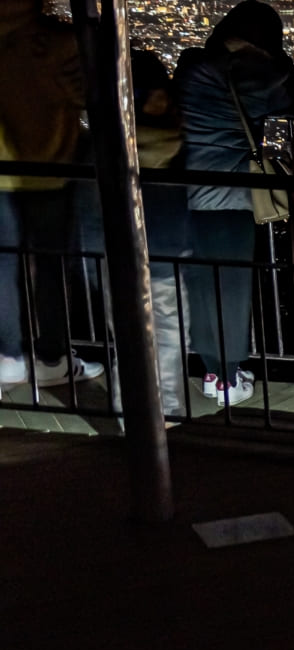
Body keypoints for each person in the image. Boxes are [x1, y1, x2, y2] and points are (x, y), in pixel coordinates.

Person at [177, 0, 294, 406]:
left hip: (187, 187)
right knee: (230, 284)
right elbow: (288, 105)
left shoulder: (194, 65)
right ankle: (229, 379)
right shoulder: (264, 73)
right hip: (232, 195)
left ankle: (211, 369)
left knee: (199, 281)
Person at [0, 0, 105, 387]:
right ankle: (52, 358)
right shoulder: (59, 40)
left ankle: (7, 356)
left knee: (1, 266)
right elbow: (85, 96)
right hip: (49, 169)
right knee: (51, 268)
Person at [76, 50, 193, 416]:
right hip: (164, 249)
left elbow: (89, 208)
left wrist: (94, 256)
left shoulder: (103, 145)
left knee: (131, 337)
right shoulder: (178, 139)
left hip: (119, 253)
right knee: (169, 336)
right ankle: (165, 416)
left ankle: (135, 414)